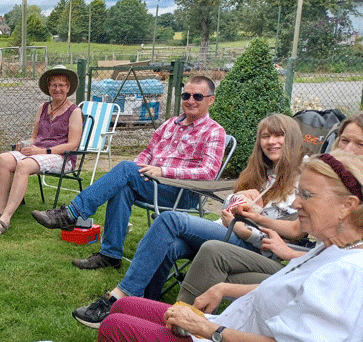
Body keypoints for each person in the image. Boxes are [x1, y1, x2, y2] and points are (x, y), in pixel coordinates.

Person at [97, 151, 363, 342]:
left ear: (347, 206)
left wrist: (206, 329)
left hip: (221, 334)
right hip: (226, 324)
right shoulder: (332, 248)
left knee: (114, 325)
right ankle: (126, 293)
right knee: (126, 307)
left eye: (307, 195)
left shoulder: (347, 273)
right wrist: (224, 288)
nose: (295, 204)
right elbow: (287, 289)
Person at [71, 113, 305, 329]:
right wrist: (236, 203)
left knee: (170, 220)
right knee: (168, 244)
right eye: (266, 136)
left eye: (279, 135)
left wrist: (251, 225)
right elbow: (229, 204)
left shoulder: (302, 178)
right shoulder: (264, 172)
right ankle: (145, 306)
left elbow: (296, 230)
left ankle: (120, 297)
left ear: (292, 139)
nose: (271, 141)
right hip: (228, 230)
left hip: (255, 248)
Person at [31, 76, 226, 270]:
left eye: (198, 96)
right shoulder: (170, 124)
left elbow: (208, 173)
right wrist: (141, 168)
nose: (190, 100)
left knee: (125, 169)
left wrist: (162, 171)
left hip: (181, 193)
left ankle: (72, 213)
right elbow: (148, 152)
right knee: (123, 185)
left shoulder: (214, 131)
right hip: (152, 183)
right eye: (186, 95)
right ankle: (110, 255)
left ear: (211, 100)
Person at [176, 112, 363, 304]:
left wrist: (285, 250)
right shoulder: (265, 172)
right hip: (300, 264)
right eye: (344, 140)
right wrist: (250, 211)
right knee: (199, 258)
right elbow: (319, 246)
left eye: (360, 144)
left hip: (312, 278)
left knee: (177, 223)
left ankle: (182, 324)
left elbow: (331, 255)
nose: (348, 149)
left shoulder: (318, 182)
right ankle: (180, 321)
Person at [0, 65, 83, 238]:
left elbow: (73, 145)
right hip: (39, 151)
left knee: (24, 165)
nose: (57, 89)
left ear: (68, 88)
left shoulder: (75, 111)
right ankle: (0, 210)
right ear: (48, 87)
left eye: (61, 85)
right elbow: (35, 137)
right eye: (53, 85)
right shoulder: (43, 107)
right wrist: (25, 144)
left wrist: (43, 151)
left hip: (61, 156)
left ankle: (6, 218)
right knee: (3, 159)